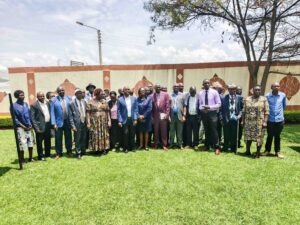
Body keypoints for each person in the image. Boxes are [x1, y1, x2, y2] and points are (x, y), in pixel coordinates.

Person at [242, 85, 269, 158]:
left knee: (259, 138)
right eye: (256, 90)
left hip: (259, 123)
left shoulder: (264, 99)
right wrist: (242, 120)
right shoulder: (247, 99)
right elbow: (244, 111)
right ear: (253, 91)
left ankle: (257, 153)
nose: (258, 91)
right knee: (248, 137)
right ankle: (247, 151)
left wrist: (265, 122)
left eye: (259, 90)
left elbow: (266, 112)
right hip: (248, 122)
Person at [263, 82, 286, 159]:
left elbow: (284, 106)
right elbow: (265, 107)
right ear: (271, 87)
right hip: (270, 119)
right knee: (269, 135)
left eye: (278, 86)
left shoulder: (283, 95)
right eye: (275, 86)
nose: (277, 87)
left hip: (280, 119)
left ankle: (277, 151)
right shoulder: (267, 96)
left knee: (277, 136)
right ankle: (267, 150)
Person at [198, 79, 222, 155]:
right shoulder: (200, 93)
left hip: (212, 114)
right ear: (203, 84)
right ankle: (207, 146)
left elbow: (219, 104)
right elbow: (200, 105)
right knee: (206, 130)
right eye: (205, 83)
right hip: (204, 114)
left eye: (208, 83)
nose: (207, 84)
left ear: (210, 84)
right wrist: (203, 108)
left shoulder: (214, 92)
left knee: (214, 131)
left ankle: (217, 147)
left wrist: (209, 107)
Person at [13, 90, 35, 163]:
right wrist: (23, 126)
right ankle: (22, 159)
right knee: (22, 143)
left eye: (23, 95)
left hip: (29, 127)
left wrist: (31, 125)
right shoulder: (13, 106)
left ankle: (30, 158)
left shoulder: (26, 104)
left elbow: (29, 115)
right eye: (21, 95)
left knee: (30, 142)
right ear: (16, 96)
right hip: (21, 128)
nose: (23, 96)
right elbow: (15, 119)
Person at [87, 89, 111, 154]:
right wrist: (88, 122)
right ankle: (96, 149)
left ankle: (104, 148)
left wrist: (109, 121)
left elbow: (107, 112)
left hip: (103, 121)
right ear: (97, 94)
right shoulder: (91, 102)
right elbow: (88, 112)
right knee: (95, 134)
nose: (103, 95)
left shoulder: (104, 102)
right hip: (94, 122)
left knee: (104, 134)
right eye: (101, 94)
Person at [50, 86, 72, 159]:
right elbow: (52, 112)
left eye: (62, 90)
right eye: (59, 91)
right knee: (58, 139)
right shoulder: (53, 100)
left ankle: (69, 151)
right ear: (57, 92)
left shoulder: (68, 98)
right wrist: (54, 123)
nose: (61, 92)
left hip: (67, 121)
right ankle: (58, 153)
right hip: (58, 122)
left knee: (68, 137)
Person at [221, 84, 243, 153]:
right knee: (226, 133)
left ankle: (233, 148)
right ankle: (226, 147)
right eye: (230, 89)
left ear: (235, 90)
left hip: (235, 117)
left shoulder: (239, 98)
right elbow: (221, 109)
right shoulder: (224, 98)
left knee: (234, 134)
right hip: (226, 117)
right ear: (228, 90)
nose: (232, 90)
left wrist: (239, 115)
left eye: (233, 89)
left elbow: (242, 108)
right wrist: (221, 118)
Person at [30, 91, 51, 160]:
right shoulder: (34, 105)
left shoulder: (47, 103)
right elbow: (32, 118)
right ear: (37, 97)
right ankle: (41, 156)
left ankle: (47, 154)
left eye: (43, 96)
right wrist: (36, 128)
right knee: (39, 143)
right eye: (40, 96)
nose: (42, 97)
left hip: (47, 125)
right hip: (39, 127)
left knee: (48, 140)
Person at [117, 86, 138, 153]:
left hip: (132, 119)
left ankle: (132, 147)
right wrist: (120, 121)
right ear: (123, 91)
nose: (127, 90)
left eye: (128, 89)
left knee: (132, 134)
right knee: (125, 134)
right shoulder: (120, 99)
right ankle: (125, 148)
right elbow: (119, 111)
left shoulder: (134, 98)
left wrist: (135, 119)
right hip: (124, 120)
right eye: (126, 89)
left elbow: (135, 109)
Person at [69, 89, 87, 159]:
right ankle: (78, 153)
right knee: (77, 138)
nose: (80, 94)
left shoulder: (84, 102)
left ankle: (83, 151)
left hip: (84, 122)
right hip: (77, 124)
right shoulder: (71, 103)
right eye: (78, 93)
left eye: (81, 93)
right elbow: (70, 116)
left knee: (83, 137)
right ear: (75, 94)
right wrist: (73, 126)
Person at [152, 84, 170, 150]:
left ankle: (164, 145)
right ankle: (156, 144)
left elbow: (168, 105)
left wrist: (167, 114)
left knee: (164, 131)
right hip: (155, 116)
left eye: (159, 87)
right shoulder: (152, 96)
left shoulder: (165, 94)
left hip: (163, 115)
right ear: (154, 88)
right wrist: (152, 116)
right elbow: (151, 107)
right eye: (157, 87)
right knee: (156, 131)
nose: (158, 88)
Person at [169, 84, 185, 149]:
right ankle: (171, 143)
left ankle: (180, 144)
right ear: (173, 87)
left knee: (179, 131)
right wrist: (168, 116)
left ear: (179, 88)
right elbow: (167, 106)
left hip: (180, 116)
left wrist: (184, 115)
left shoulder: (182, 95)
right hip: (172, 116)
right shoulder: (169, 95)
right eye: (174, 86)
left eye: (177, 86)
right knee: (172, 131)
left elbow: (184, 106)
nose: (176, 87)